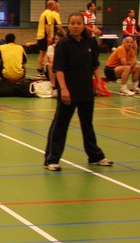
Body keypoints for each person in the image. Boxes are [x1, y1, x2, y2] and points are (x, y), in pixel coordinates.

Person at [43, 12, 113, 170]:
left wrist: (99, 83)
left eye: (78, 23)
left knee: (87, 124)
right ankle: (51, 159)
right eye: (72, 23)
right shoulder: (63, 44)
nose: (75, 26)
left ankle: (95, 156)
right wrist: (63, 89)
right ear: (68, 25)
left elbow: (94, 65)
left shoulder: (90, 42)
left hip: (86, 90)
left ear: (83, 25)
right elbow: (58, 69)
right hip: (68, 91)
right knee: (60, 124)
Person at [36, 0, 61, 75]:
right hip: (45, 36)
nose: (56, 6)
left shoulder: (44, 13)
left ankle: (40, 69)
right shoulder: (49, 14)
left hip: (41, 35)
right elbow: (47, 26)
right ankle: (45, 69)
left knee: (42, 53)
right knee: (47, 53)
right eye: (55, 5)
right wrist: (49, 37)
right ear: (51, 6)